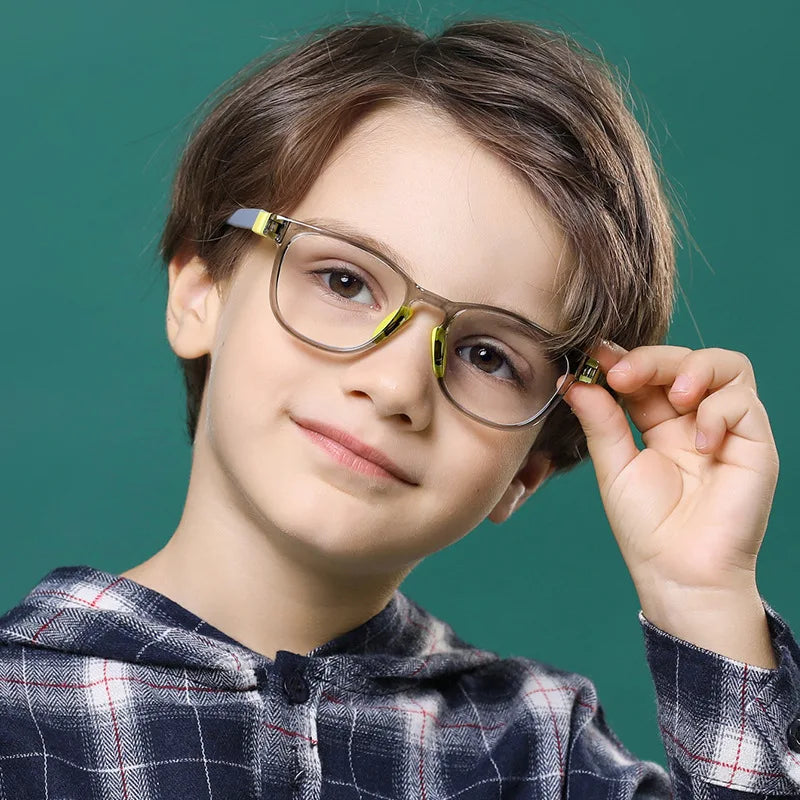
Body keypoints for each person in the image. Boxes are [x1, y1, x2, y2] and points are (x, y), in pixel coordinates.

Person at [0, 15, 797, 800]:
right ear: (200, 292)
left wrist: (703, 600)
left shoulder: (542, 758)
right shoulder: (19, 710)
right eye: (344, 281)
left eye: (489, 356)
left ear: (530, 468)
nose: (395, 388)